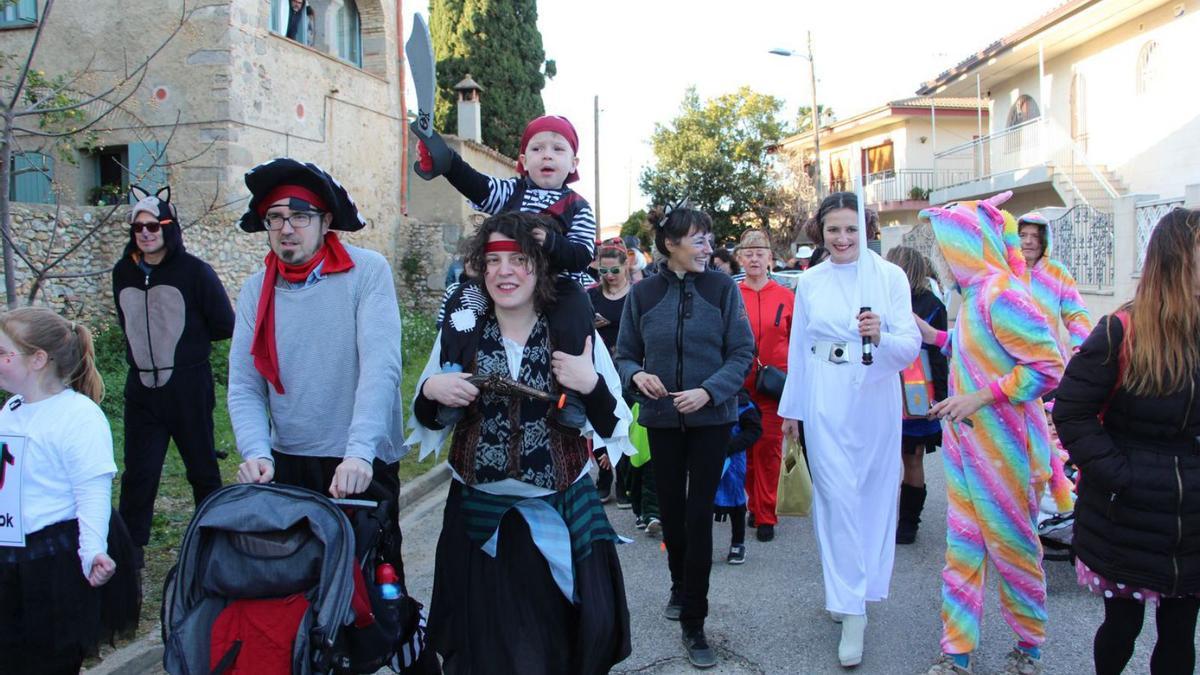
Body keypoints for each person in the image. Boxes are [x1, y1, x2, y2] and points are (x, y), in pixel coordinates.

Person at [407, 211, 632, 674]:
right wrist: (431, 392)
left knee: (554, 648)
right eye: (493, 260)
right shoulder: (461, 333)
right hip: (478, 519)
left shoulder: (573, 333)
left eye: (519, 259)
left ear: (542, 266)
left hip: (557, 513)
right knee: (483, 650)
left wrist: (589, 383)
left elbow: (613, 423)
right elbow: (426, 416)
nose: (504, 271)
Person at [919, 193, 1063, 675]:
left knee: (1014, 549)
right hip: (965, 449)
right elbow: (976, 351)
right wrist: (935, 336)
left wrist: (979, 398)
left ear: (961, 243)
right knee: (961, 551)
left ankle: (1029, 647)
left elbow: (1048, 368)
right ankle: (955, 653)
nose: (937, 254)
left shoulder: (1003, 294)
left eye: (942, 243)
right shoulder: (977, 295)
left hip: (1007, 454)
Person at [228, 158, 407, 545]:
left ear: (326, 222)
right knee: (296, 585)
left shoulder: (367, 272)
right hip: (288, 458)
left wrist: (360, 453)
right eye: (275, 217)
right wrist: (257, 453)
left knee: (372, 588)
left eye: (300, 216)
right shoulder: (255, 290)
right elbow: (244, 385)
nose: (286, 228)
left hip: (359, 459)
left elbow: (381, 368)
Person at [1052, 207, 1200, 675]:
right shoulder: (1121, 331)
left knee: (1180, 635)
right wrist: (1120, 475)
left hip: (1192, 519)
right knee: (1122, 628)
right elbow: (1071, 411)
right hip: (1127, 515)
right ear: (1177, 260)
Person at [777, 192, 921, 668]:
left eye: (852, 229)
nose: (843, 238)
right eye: (834, 229)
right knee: (836, 499)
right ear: (821, 231)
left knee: (874, 496)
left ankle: (856, 592)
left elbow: (909, 346)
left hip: (873, 395)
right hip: (824, 397)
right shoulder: (811, 282)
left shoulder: (889, 277)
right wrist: (792, 412)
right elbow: (798, 350)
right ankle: (852, 609)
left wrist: (881, 334)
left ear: (867, 229)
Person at [615, 205, 755, 669]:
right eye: (698, 240)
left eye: (709, 239)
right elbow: (625, 354)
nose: (708, 248)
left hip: (711, 420)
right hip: (660, 419)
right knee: (671, 514)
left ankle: (695, 620)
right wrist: (637, 377)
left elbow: (741, 353)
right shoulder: (644, 293)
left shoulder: (722, 289)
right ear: (670, 244)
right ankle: (679, 583)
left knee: (698, 516)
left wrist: (707, 391)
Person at [413, 114, 597, 430]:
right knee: (464, 301)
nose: (548, 155)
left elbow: (582, 254)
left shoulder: (577, 206)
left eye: (557, 148)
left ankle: (572, 390)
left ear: (573, 162)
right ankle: (452, 374)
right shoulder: (511, 192)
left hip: (556, 286)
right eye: (538, 149)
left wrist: (550, 242)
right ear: (524, 160)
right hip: (503, 280)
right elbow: (479, 184)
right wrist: (448, 162)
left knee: (578, 308)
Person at [0, 308, 138, 674]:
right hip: (10, 556)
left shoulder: (78, 417)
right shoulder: (10, 410)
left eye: (3, 353)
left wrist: (93, 550)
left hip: (54, 562)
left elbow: (92, 493)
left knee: (50, 660)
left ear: (38, 360)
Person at [113, 185, 234, 577]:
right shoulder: (123, 272)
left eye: (154, 225)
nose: (146, 233)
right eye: (138, 228)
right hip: (141, 389)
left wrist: (187, 347)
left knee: (201, 467)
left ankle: (215, 544)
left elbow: (224, 323)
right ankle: (131, 554)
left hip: (188, 386)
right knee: (139, 473)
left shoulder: (195, 272)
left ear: (169, 226)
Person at [884, 246, 948, 545]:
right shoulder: (932, 303)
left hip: (892, 382)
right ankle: (908, 524)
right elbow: (938, 355)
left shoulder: (883, 299)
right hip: (919, 387)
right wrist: (942, 397)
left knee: (883, 458)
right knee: (913, 458)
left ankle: (891, 522)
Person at [734, 229, 793, 542]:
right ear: (740, 257)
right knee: (745, 448)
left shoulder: (787, 297)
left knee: (769, 449)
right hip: (739, 385)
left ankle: (766, 513)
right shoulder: (731, 295)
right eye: (749, 252)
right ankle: (752, 504)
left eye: (761, 252)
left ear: (771, 258)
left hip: (775, 385)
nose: (754, 257)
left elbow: (799, 342)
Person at [589, 237, 632, 505]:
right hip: (599, 366)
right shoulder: (591, 294)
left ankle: (626, 482)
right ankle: (604, 479)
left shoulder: (637, 293)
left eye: (614, 270)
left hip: (628, 365)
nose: (609, 276)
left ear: (626, 265)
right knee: (601, 421)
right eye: (603, 271)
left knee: (625, 422)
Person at [1016, 211, 1092, 361]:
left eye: (1035, 236)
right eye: (1023, 235)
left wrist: (1082, 346)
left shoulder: (1057, 273)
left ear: (1044, 240)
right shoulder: (1005, 271)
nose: (1028, 241)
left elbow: (1076, 313)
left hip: (1049, 361)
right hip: (1010, 361)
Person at [714, 388, 761, 565]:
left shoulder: (743, 405)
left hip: (733, 462)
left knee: (736, 501)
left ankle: (737, 542)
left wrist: (731, 446)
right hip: (707, 457)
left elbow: (754, 430)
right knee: (702, 500)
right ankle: (699, 544)